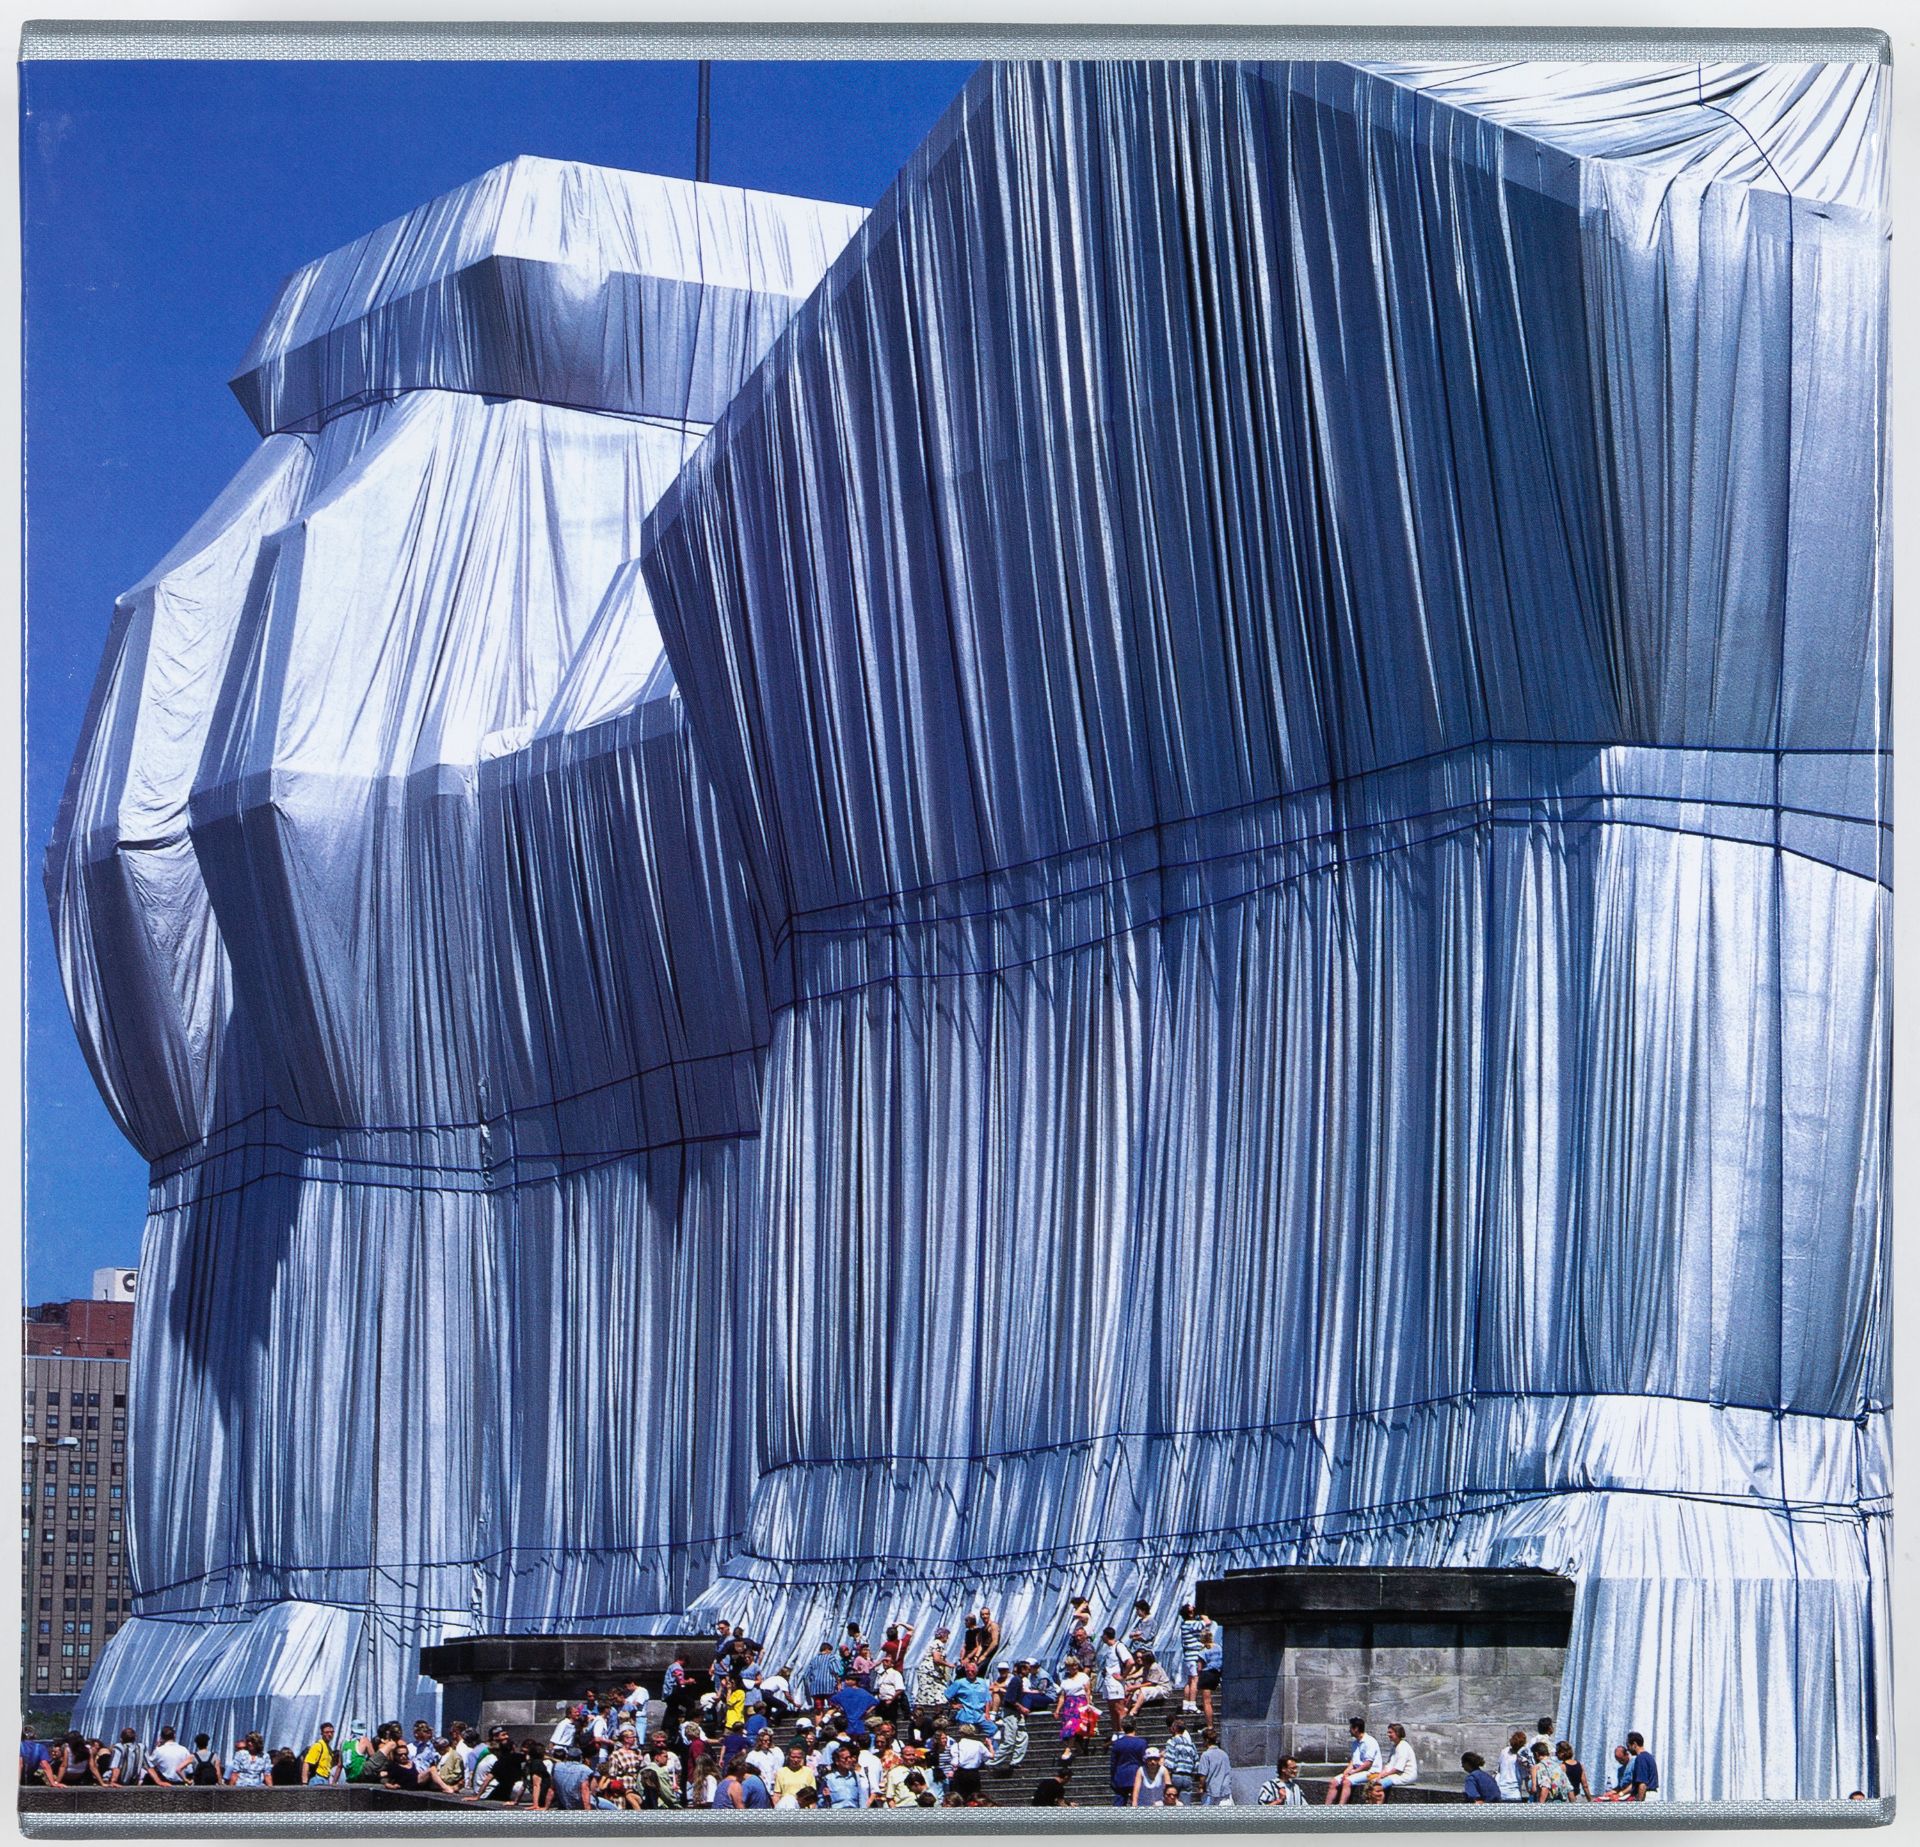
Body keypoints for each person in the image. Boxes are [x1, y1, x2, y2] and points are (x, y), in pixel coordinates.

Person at [1324, 1717, 1378, 1805]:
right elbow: (1353, 1762)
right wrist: (1346, 1772)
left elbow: (1367, 1764)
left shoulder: (1370, 1742)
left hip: (1370, 1772)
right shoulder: (1355, 1743)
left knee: (1347, 1782)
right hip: (1357, 1771)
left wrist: (1352, 1773)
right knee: (1333, 1782)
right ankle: (1325, 1809)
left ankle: (1341, 1808)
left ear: (1356, 1729)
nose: (1349, 1730)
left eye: (1350, 1728)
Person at [1366, 1721, 1417, 1797]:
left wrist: (1383, 1776)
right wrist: (1379, 1776)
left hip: (1405, 1776)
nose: (1388, 1735)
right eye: (1388, 1732)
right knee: (1371, 1785)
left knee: (1376, 1788)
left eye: (1390, 1733)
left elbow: (1398, 1768)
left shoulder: (1403, 1747)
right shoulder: (1394, 1747)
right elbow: (1388, 1765)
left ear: (1398, 1733)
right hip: (1395, 1775)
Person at [1109, 1716, 1148, 1805]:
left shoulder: (1117, 1743)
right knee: (1138, 1801)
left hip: (1121, 1776)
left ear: (1122, 1727)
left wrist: (1112, 1778)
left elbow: (1113, 1763)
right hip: (1136, 1775)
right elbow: (1145, 1761)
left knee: (1119, 1802)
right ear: (1135, 1726)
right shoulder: (1142, 1743)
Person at [1178, 1603, 1210, 1712]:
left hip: (1188, 1656)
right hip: (1194, 1656)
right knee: (1195, 1680)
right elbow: (1207, 1622)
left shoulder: (1184, 1624)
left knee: (1190, 1680)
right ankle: (1192, 1703)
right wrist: (1201, 1613)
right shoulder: (1192, 1624)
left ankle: (1186, 1704)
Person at [1054, 1660, 1094, 1746]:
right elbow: (1062, 1696)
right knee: (1067, 1726)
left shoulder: (1083, 1676)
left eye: (1075, 1665)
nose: (1074, 1667)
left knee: (1073, 1725)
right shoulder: (1065, 1679)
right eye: (1071, 1666)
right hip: (1068, 1704)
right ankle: (1077, 1747)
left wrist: (1089, 1703)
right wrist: (1057, 1710)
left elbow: (1087, 1691)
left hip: (1080, 1702)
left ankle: (1068, 1749)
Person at [946, 1724, 991, 1802]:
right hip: (974, 1773)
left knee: (960, 1797)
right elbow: (990, 1756)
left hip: (961, 1773)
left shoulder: (956, 1745)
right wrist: (990, 1745)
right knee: (974, 1798)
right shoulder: (978, 1744)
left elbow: (954, 1762)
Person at [822, 1742, 873, 1808]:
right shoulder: (828, 1779)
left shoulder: (856, 1776)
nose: (849, 1760)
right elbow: (821, 1803)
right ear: (837, 1761)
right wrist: (825, 1797)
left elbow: (861, 1798)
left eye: (849, 1757)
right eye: (845, 1758)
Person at [1162, 1713, 1200, 1799]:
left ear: (1174, 1728)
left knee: (1172, 1802)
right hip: (1188, 1777)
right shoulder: (1191, 1744)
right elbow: (1197, 1762)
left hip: (1176, 1775)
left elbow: (1169, 1762)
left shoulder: (1172, 1742)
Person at [1194, 1728, 1235, 1806]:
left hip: (1211, 1792)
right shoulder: (1224, 1754)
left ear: (1206, 1740)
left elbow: (1203, 1775)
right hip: (1224, 1792)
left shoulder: (1205, 1755)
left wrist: (1200, 1787)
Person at [1496, 1728, 1529, 1802]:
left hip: (1501, 1789)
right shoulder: (1522, 1758)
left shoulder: (1504, 1751)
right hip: (1514, 1792)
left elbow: (1499, 1769)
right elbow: (1525, 1776)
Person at [1625, 1731, 1660, 1800]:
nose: (1628, 1749)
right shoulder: (1649, 1756)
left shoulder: (1640, 1758)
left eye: (1628, 1746)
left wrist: (1639, 1803)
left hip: (1646, 1797)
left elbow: (1642, 1784)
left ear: (1634, 1744)